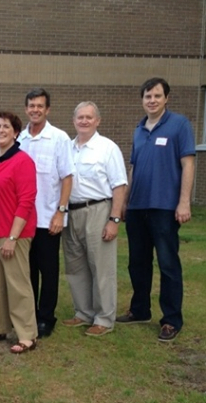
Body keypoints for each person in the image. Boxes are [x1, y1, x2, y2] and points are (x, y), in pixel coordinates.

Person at [118, 78, 195, 342]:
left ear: (166, 98)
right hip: (138, 206)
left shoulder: (179, 125)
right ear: (143, 100)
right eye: (148, 96)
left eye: (157, 96)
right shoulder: (139, 130)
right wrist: (125, 201)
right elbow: (134, 168)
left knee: (168, 264)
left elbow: (188, 164)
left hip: (164, 207)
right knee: (137, 263)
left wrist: (184, 201)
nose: (152, 100)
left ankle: (171, 319)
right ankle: (140, 310)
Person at [62, 102, 127, 337]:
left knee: (101, 267)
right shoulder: (67, 148)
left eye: (89, 117)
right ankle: (83, 312)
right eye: (80, 117)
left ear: (97, 121)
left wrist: (114, 219)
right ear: (74, 121)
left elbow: (119, 185)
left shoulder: (107, 148)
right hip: (72, 212)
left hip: (98, 210)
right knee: (75, 266)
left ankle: (104, 318)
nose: (84, 121)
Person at [0, 111, 38, 353]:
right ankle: (0, 327)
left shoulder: (22, 161)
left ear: (15, 132)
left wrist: (12, 237)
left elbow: (26, 201)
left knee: (17, 283)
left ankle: (27, 334)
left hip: (12, 234)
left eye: (6, 127)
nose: (1, 130)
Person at [19, 88, 74, 338]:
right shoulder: (20, 139)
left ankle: (46, 317)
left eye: (40, 106)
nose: (35, 110)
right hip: (24, 220)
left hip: (48, 218)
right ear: (26, 108)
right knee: (27, 270)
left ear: (48, 109)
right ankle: (28, 313)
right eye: (31, 105)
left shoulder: (59, 138)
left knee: (48, 271)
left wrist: (60, 212)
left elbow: (67, 178)